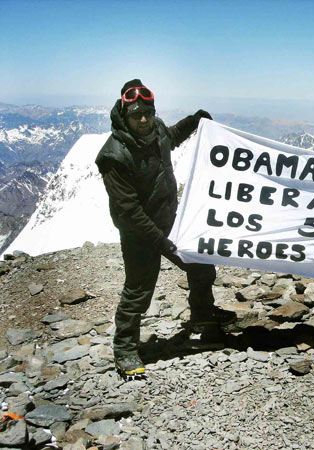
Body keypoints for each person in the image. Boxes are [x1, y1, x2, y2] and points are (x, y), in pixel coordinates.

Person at [95, 79, 236, 378]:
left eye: (147, 112)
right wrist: (162, 241)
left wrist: (195, 121)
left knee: (200, 265)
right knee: (139, 290)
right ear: (124, 114)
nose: (143, 119)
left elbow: (171, 136)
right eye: (136, 115)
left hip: (168, 220)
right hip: (138, 234)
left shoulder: (156, 130)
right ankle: (124, 349)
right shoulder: (113, 155)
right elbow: (129, 211)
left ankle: (202, 317)